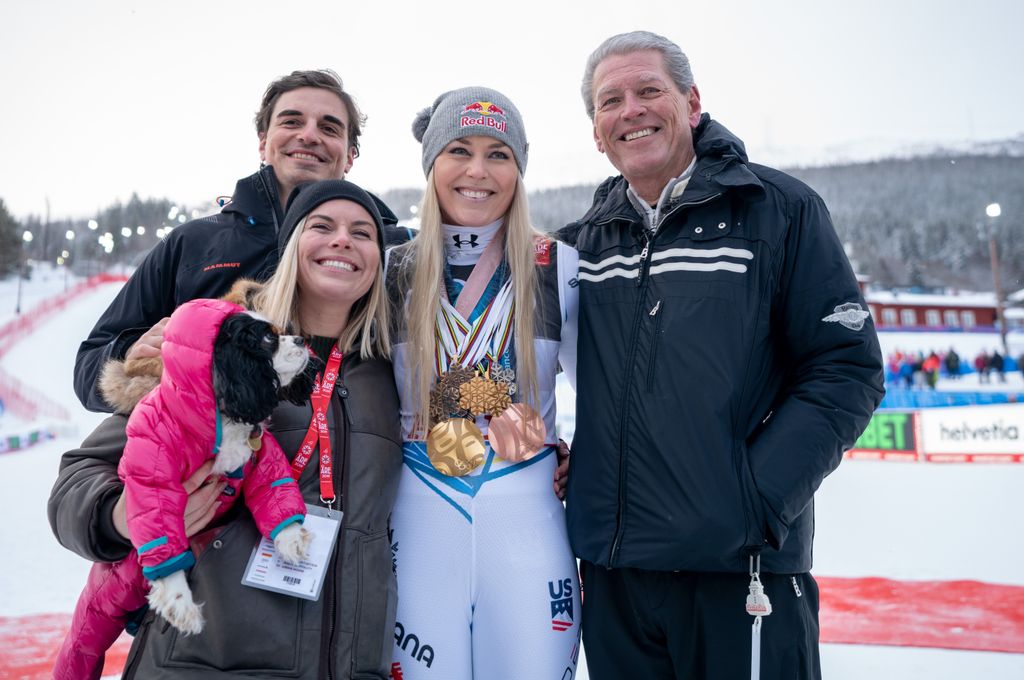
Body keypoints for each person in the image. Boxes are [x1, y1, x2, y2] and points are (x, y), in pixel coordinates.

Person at [555, 32, 884, 680]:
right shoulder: (580, 247)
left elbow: (845, 368)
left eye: (650, 90)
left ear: (692, 101)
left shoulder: (778, 210)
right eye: (610, 101)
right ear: (596, 131)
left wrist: (752, 501)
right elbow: (506, 371)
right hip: (615, 577)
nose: (632, 110)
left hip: (740, 573)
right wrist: (545, 459)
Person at [49, 179, 402, 679]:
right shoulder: (221, 349)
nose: (342, 240)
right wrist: (121, 516)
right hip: (201, 662)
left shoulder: (393, 374)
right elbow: (77, 477)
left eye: (362, 232)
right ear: (290, 247)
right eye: (321, 226)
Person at [74, 69, 412, 413]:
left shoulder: (389, 254)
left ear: (350, 155)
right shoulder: (193, 243)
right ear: (263, 143)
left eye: (329, 128)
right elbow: (89, 366)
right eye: (292, 122)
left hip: (357, 453)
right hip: (220, 457)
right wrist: (133, 353)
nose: (309, 136)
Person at [385, 87, 581, 680]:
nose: (478, 170)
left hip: (528, 511)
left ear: (519, 168)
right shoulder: (390, 269)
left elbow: (614, 399)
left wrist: (583, 457)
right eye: (459, 150)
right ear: (431, 166)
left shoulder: (560, 264)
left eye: (499, 153)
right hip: (420, 509)